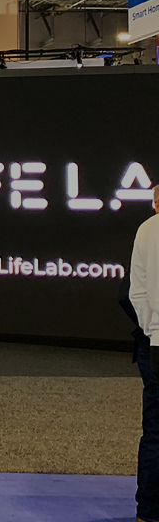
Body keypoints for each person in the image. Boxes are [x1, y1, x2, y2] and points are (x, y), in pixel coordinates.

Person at [128, 185, 159, 522]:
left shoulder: (146, 230)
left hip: (153, 343)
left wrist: (150, 329)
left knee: (155, 432)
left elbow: (135, 293)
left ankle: (148, 513)